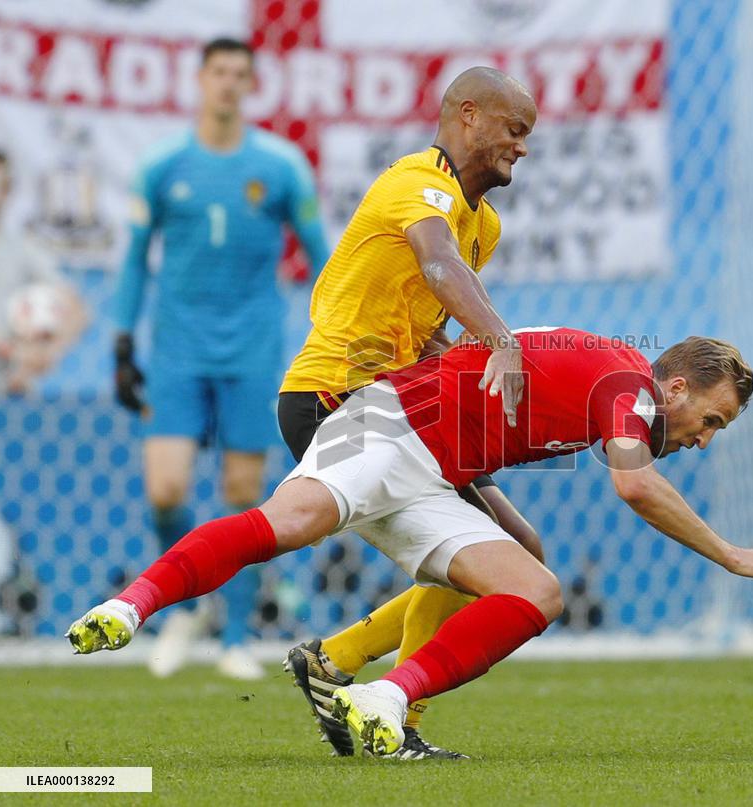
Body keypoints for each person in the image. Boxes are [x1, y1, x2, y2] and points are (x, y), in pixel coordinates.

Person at [67, 329, 753, 758]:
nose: (705, 440)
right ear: (675, 388)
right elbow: (636, 487)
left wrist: (504, 518)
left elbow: (487, 425)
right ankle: (132, 605)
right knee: (286, 524)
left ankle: (380, 697)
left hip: (437, 478)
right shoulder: (629, 383)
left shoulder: (619, 384)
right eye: (712, 420)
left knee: (533, 586)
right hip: (387, 429)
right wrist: (733, 554)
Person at [275, 66, 542, 759]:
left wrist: (456, 363)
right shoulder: (416, 184)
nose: (522, 147)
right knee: (490, 555)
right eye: (515, 130)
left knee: (518, 554)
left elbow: (424, 322)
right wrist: (501, 340)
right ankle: (399, 716)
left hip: (396, 406)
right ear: (470, 116)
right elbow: (438, 265)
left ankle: (334, 660)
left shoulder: (485, 225)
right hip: (334, 397)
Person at [111, 38, 328, 680]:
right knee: (165, 488)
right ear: (200, 80)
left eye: (241, 74)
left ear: (252, 85)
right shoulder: (162, 165)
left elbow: (324, 260)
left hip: (253, 351)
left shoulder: (281, 166)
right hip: (176, 350)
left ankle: (234, 637)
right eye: (219, 73)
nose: (229, 84)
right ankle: (188, 605)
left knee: (242, 492)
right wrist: (122, 343)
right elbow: (132, 262)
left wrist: (333, 334)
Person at [0, 150, 87, 395]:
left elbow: (75, 307)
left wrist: (47, 353)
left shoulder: (23, 248)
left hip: (10, 389)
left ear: (8, 189)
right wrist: (6, 348)